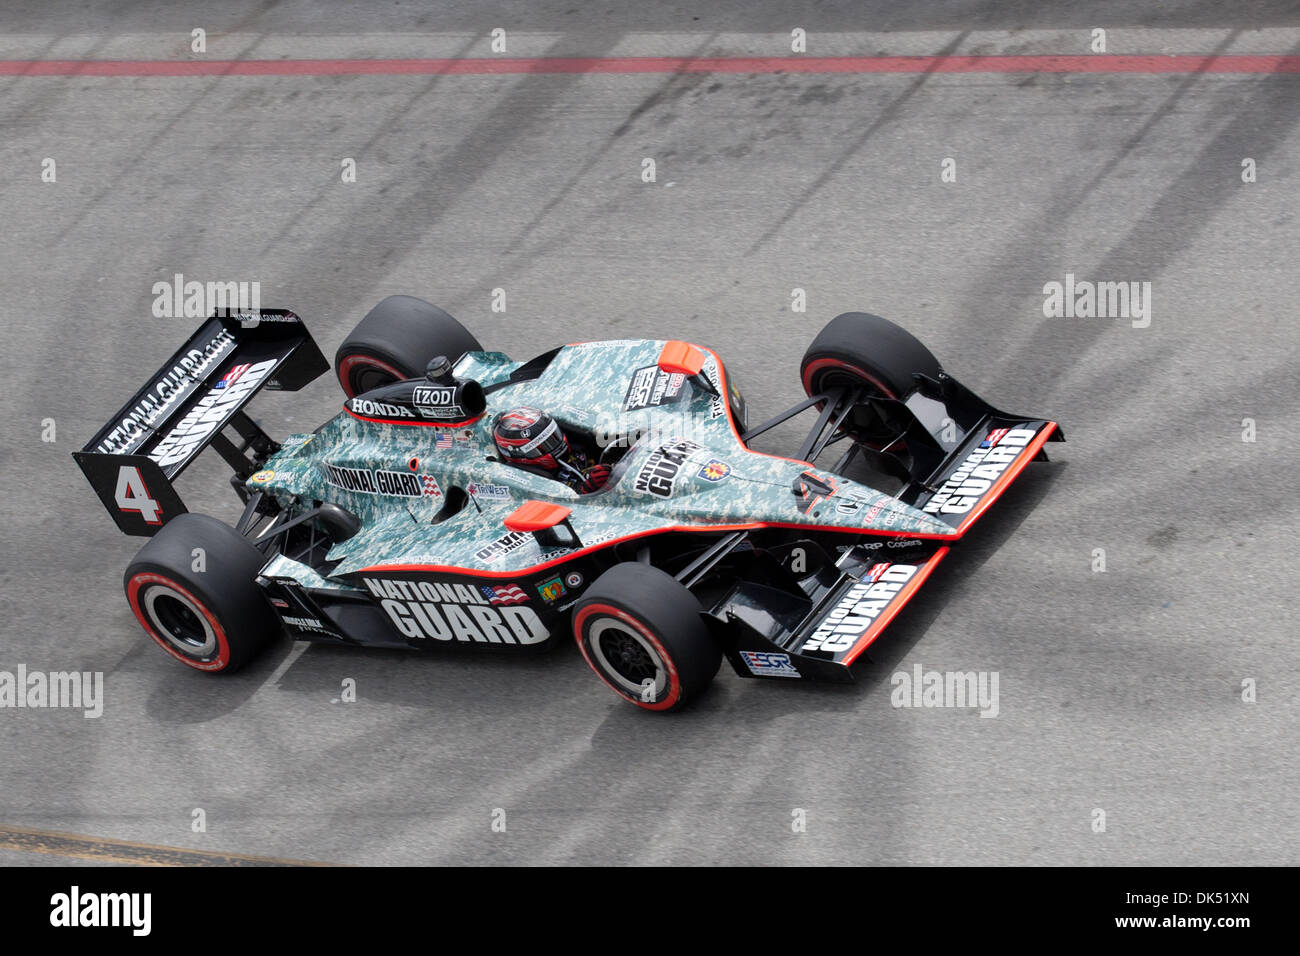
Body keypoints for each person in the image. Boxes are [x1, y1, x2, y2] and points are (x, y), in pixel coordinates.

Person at [491, 407, 610, 494]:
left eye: (554, 436)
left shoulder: (578, 448)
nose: (556, 445)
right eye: (544, 446)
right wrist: (582, 490)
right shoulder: (534, 485)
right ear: (521, 456)